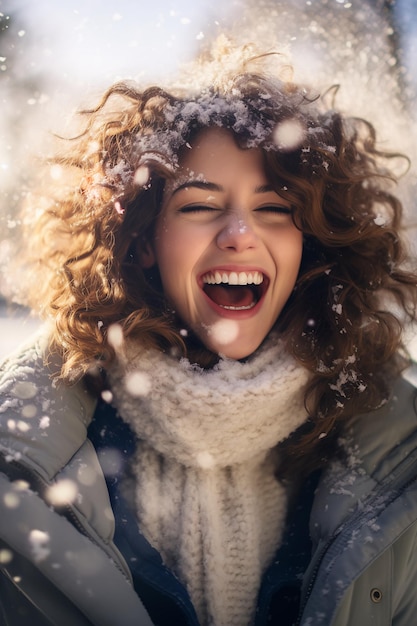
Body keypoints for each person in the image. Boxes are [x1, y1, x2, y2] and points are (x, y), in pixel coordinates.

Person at [1, 40, 417, 626]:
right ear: (143, 240)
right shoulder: (28, 450)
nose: (241, 233)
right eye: (199, 207)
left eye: (275, 209)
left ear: (312, 242)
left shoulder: (396, 445)